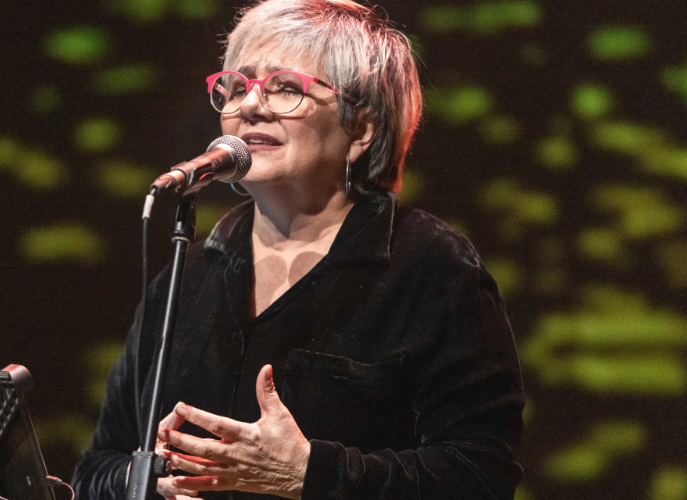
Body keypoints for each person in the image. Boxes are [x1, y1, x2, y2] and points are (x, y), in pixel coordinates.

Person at [73, 0, 525, 498]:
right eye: (238, 86)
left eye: (285, 87)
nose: (250, 105)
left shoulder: (431, 268)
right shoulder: (191, 272)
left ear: (361, 129)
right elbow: (97, 467)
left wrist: (309, 473)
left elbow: (480, 475)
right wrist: (152, 480)